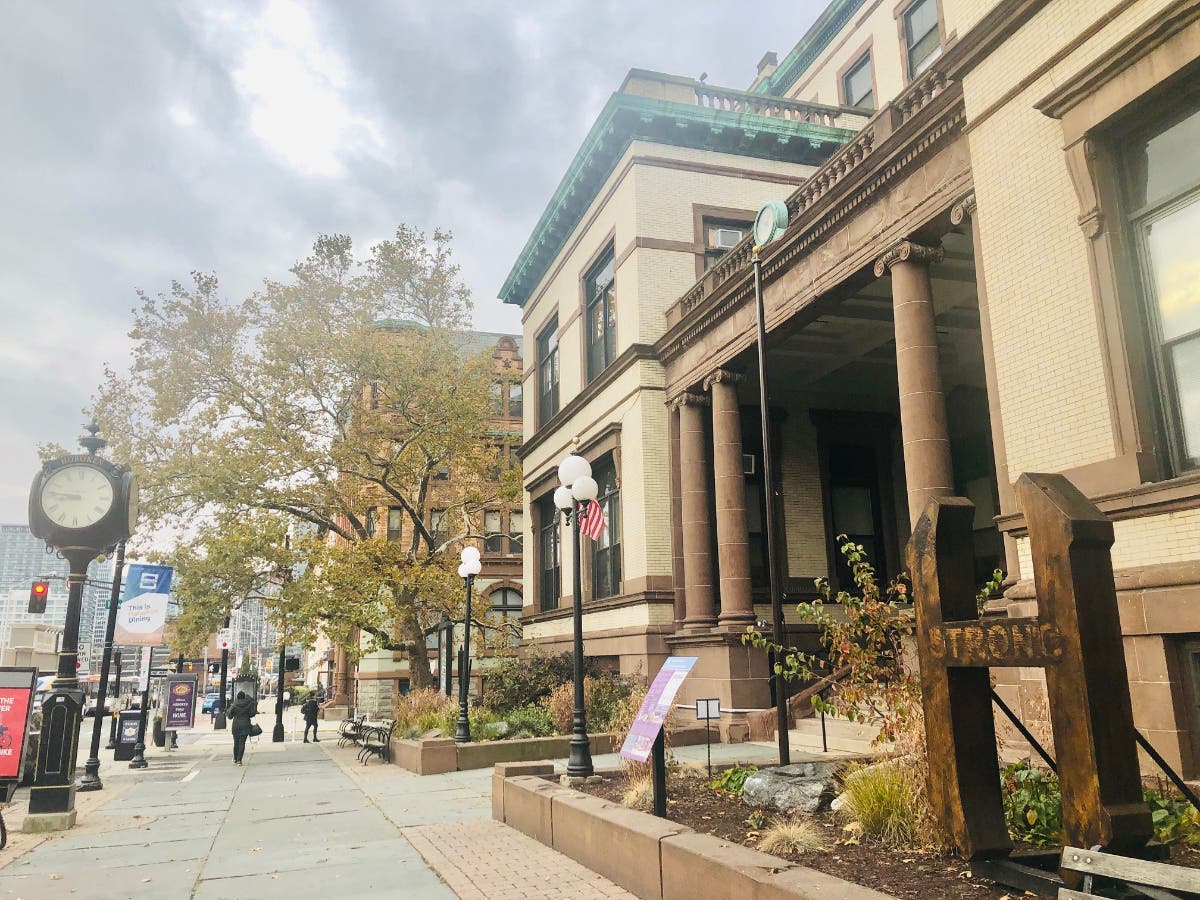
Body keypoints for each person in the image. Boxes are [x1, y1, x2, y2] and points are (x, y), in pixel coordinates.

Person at [228, 690, 259, 765]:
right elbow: (252, 714)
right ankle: (239, 760)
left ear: (237, 697)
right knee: (242, 743)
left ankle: (235, 759)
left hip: (236, 726)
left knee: (236, 743)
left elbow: (229, 717)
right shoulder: (248, 704)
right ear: (244, 697)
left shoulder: (234, 705)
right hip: (245, 725)